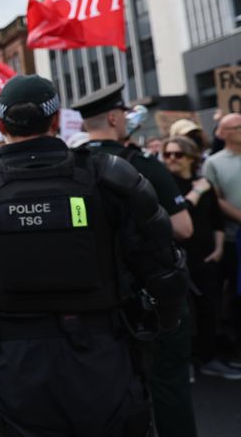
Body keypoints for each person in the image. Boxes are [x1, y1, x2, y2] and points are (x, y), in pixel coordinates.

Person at [0, 75, 187, 436]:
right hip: (102, 361)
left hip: (15, 366)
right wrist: (155, 334)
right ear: (57, 119)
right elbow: (165, 270)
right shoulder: (112, 176)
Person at [73, 82, 196, 437]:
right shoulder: (143, 165)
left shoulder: (76, 168)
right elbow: (183, 228)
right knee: (168, 384)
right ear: (114, 117)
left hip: (100, 296)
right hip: (151, 292)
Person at [161, 137, 239, 378]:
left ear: (192, 158)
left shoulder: (204, 184)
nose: (172, 159)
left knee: (209, 308)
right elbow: (175, 217)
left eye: (178, 155)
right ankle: (186, 360)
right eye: (168, 154)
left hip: (207, 257)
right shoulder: (167, 184)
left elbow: (215, 219)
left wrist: (218, 249)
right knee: (183, 313)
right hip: (180, 258)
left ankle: (208, 357)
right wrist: (195, 192)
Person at [203, 112, 241, 359]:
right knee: (234, 292)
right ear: (223, 132)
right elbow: (214, 199)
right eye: (237, 126)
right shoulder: (214, 162)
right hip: (231, 238)